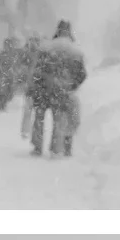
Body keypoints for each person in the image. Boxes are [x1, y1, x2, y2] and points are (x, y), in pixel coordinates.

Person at [29, 20, 87, 157]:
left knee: (39, 119)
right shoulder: (75, 51)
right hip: (61, 90)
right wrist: (71, 85)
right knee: (59, 119)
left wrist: (37, 85)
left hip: (43, 89)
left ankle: (37, 147)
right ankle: (56, 148)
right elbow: (82, 74)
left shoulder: (46, 47)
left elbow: (37, 70)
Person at [0, 35, 25, 112]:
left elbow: (17, 64)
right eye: (6, 44)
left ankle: (3, 102)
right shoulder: (2, 53)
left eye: (9, 44)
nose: (7, 46)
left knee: (10, 92)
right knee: (2, 91)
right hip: (4, 75)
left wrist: (17, 71)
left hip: (11, 76)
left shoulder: (14, 53)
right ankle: (1, 105)